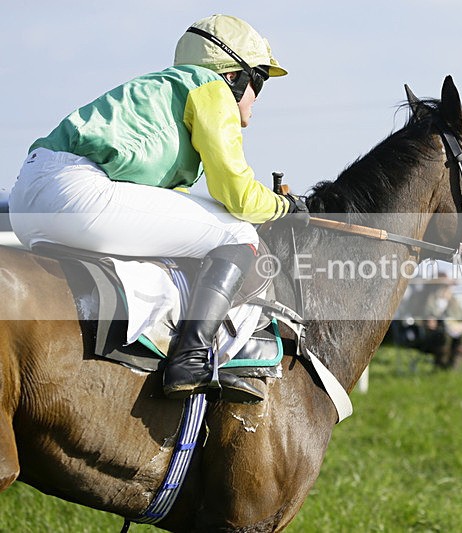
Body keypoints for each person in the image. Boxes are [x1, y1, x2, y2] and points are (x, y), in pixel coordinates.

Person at [9, 14, 307, 403]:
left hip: (28, 198)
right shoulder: (211, 89)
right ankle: (191, 357)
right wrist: (284, 206)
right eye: (259, 83)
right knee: (238, 231)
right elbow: (237, 195)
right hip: (74, 192)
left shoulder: (169, 89)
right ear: (234, 75)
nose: (256, 100)